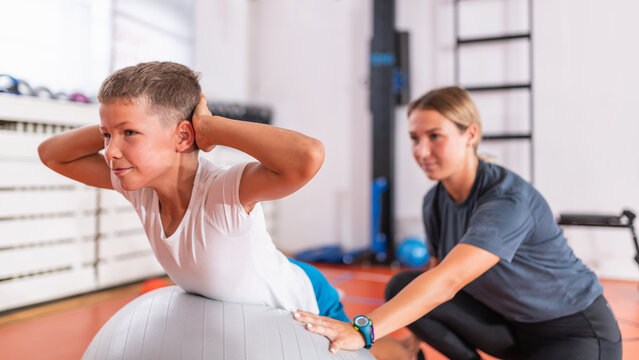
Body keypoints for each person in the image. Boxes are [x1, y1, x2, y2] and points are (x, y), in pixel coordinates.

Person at [294, 86, 622, 360]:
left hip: (573, 332)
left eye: (435, 136)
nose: (422, 151)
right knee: (402, 284)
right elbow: (435, 280)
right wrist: (413, 341)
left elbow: (449, 282)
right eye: (414, 138)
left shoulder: (506, 200)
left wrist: (362, 329)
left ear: (470, 134)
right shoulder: (434, 201)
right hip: (512, 332)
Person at [38, 61, 351, 331]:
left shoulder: (223, 190)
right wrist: (119, 122)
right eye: (107, 136)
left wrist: (211, 128)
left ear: (183, 135)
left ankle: (402, 349)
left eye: (129, 134)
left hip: (309, 303)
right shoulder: (139, 186)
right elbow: (51, 154)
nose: (110, 151)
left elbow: (308, 156)